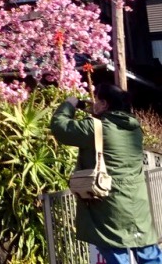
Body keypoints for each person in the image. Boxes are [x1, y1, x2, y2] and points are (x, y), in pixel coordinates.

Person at [51, 83, 162, 264]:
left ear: (104, 104)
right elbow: (107, 126)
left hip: (109, 206)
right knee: (148, 252)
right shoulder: (134, 128)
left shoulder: (95, 127)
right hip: (136, 203)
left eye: (96, 99)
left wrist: (69, 104)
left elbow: (60, 128)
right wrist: (92, 109)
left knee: (116, 253)